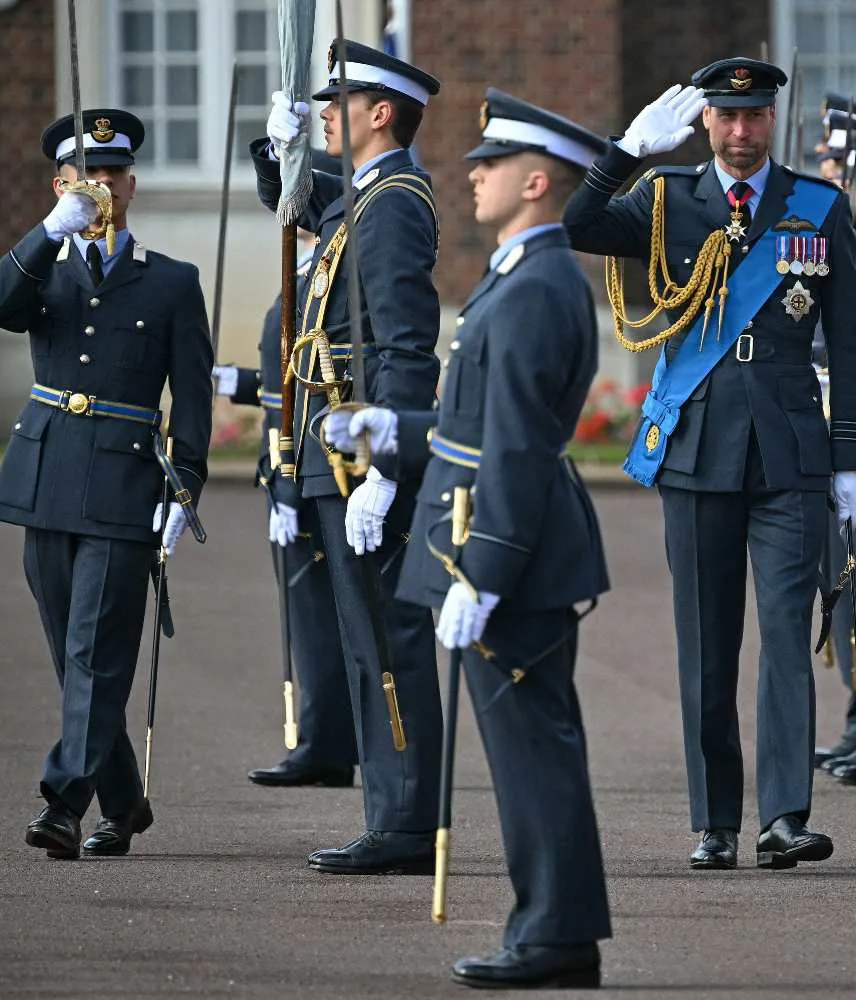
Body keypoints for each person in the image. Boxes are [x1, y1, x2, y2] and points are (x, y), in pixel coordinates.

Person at [326, 88, 613, 991]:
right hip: (488, 543)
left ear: (536, 182)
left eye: (489, 165)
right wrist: (389, 430)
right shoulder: (516, 273)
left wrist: (482, 573)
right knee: (529, 752)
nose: (472, 175)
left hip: (509, 557)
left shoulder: (535, 284)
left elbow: (519, 448)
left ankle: (554, 936)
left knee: (535, 756)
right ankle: (548, 926)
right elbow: (469, 424)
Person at [564, 58, 856, 870]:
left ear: (774, 120)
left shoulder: (819, 206)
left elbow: (847, 344)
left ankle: (783, 817)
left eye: (755, 117)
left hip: (790, 452)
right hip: (699, 444)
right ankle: (716, 822)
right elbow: (577, 224)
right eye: (726, 117)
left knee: (783, 634)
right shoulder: (666, 199)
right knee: (704, 641)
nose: (741, 132)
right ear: (704, 121)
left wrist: (852, 460)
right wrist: (626, 153)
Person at [0, 107, 212, 858]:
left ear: (133, 185)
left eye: (114, 173)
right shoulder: (42, 263)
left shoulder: (172, 283)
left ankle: (62, 805)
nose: (104, 184)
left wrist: (187, 487)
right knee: (71, 654)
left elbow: (194, 402)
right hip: (44, 473)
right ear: (63, 184)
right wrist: (51, 229)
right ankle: (124, 800)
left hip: (122, 483)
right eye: (88, 174)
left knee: (94, 653)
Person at [252, 39, 444, 874]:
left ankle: (405, 822)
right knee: (365, 639)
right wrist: (278, 148)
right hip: (335, 451)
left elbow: (408, 347)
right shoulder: (363, 195)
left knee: (386, 642)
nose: (327, 112)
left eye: (340, 102)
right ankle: (390, 812)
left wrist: (389, 469)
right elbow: (295, 198)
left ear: (381, 113)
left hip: (365, 458)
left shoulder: (394, 201)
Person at [212, 223, 358, 789]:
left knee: (316, 616)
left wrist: (289, 484)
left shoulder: (324, 280)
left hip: (302, 466)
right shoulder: (302, 277)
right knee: (310, 613)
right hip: (285, 467)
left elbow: (312, 383)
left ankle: (324, 745)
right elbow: (285, 381)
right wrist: (239, 383)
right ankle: (331, 741)